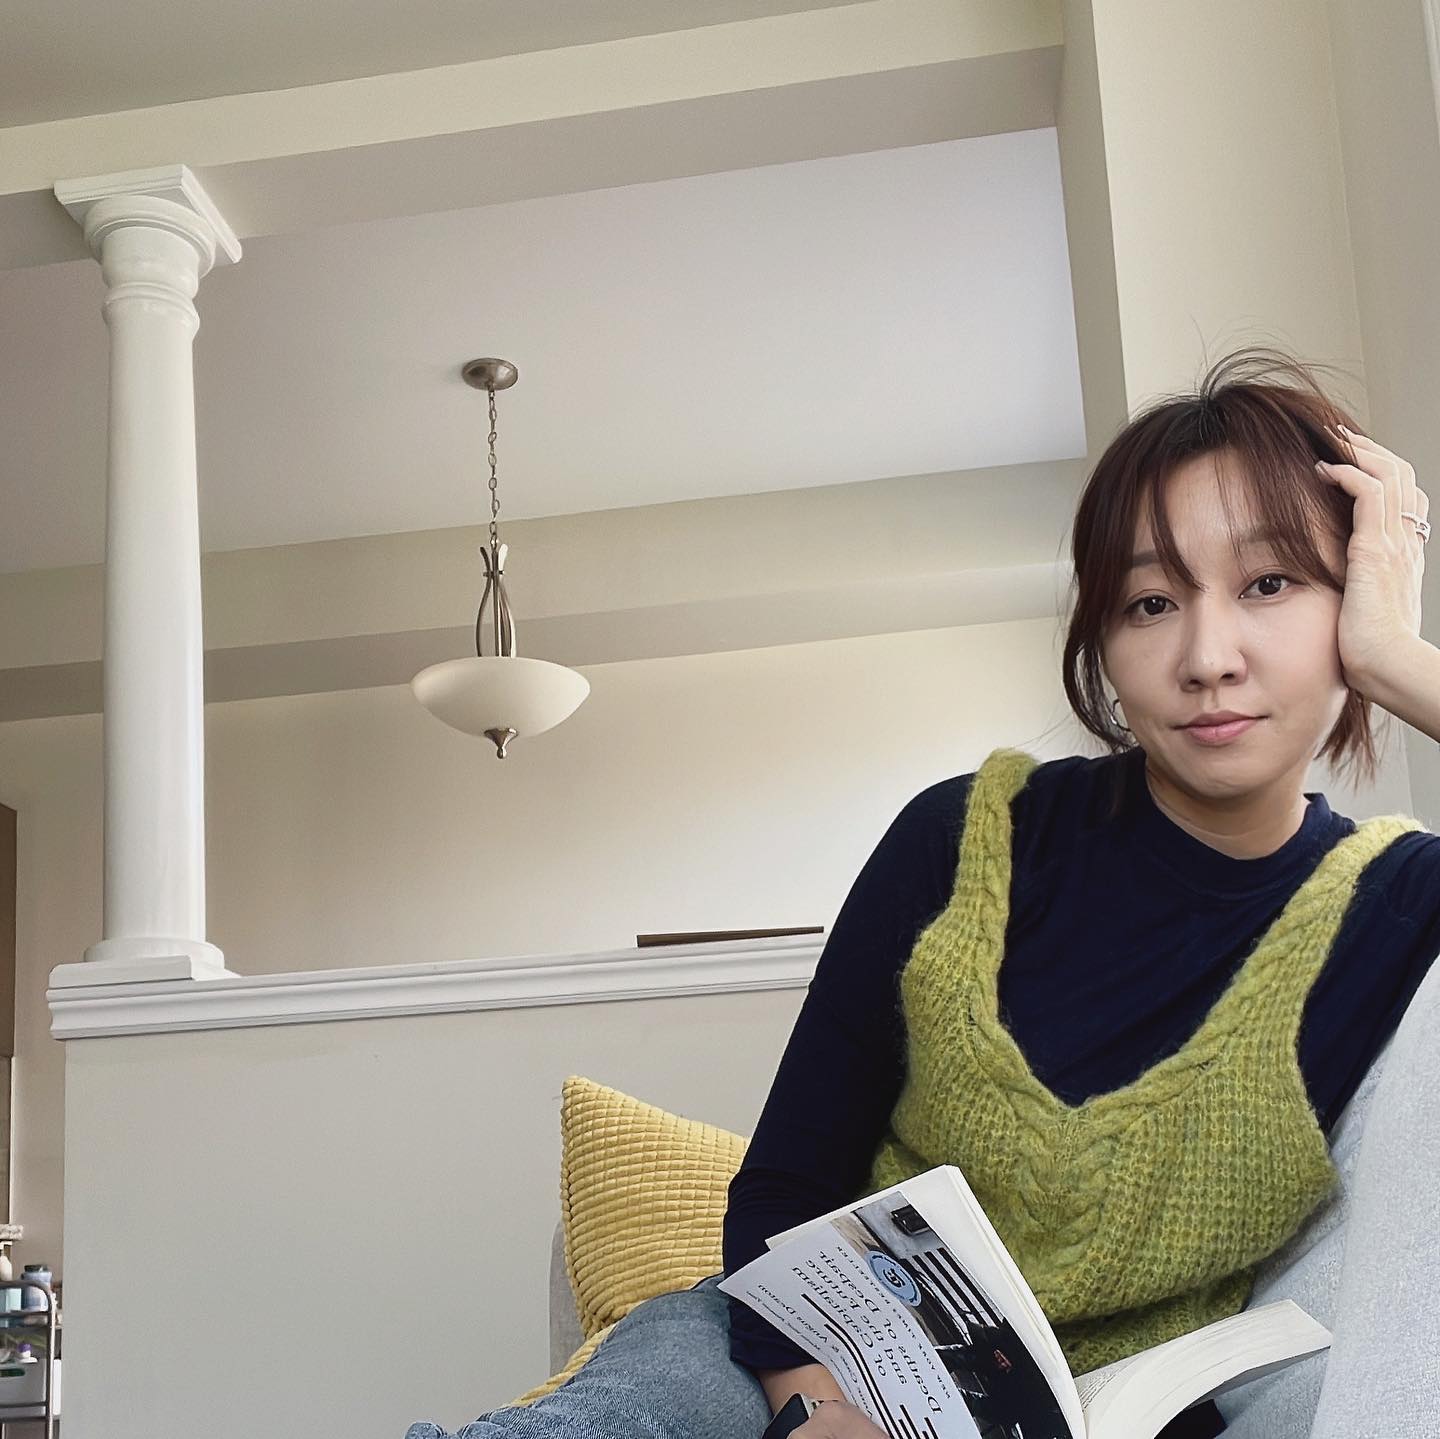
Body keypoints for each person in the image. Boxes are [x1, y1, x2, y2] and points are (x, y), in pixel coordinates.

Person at [403, 348, 1440, 1439]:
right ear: (1102, 636)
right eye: (1149, 601)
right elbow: (785, 1184)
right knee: (642, 1394)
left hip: (1126, 1407)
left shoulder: (1393, 900)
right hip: (814, 1357)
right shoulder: (964, 837)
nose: (1207, 654)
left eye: (1270, 584)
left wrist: (1395, 654)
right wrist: (817, 1403)